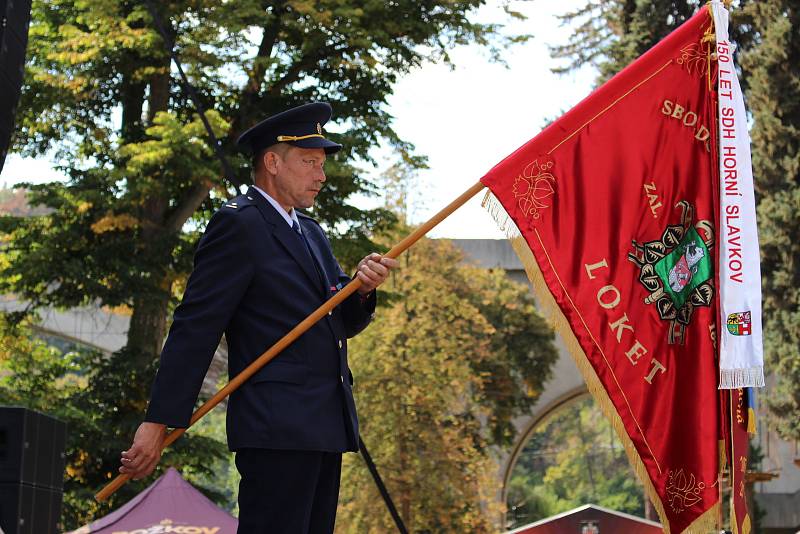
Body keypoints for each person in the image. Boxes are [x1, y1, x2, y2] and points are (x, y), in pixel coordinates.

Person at [118, 102, 398, 533]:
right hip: (277, 427)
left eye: (321, 164)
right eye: (310, 162)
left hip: (324, 424)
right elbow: (197, 325)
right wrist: (158, 421)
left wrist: (361, 289)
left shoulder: (312, 233)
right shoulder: (239, 225)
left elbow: (339, 323)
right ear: (272, 162)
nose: (321, 175)